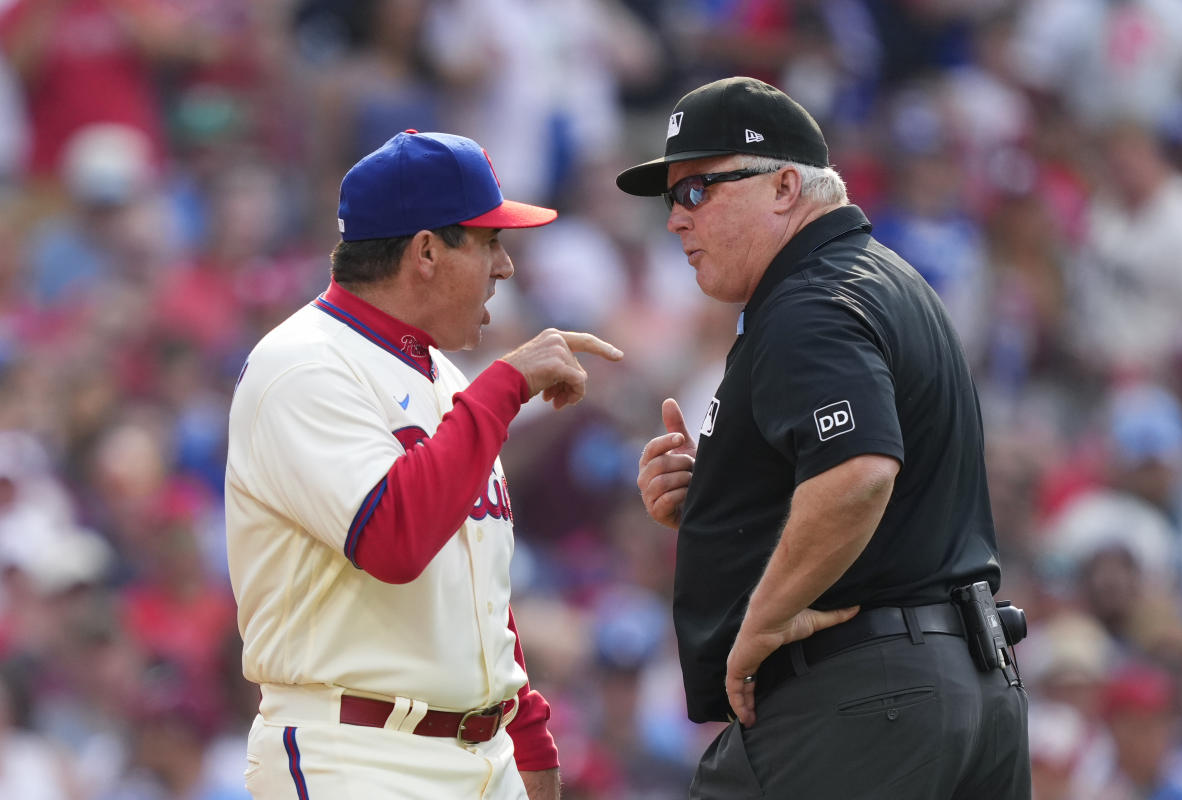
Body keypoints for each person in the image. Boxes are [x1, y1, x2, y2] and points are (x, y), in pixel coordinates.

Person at [621, 76, 1030, 798]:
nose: (675, 221)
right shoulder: (884, 281)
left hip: (867, 700)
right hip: (962, 690)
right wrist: (722, 502)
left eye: (696, 192)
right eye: (670, 200)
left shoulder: (807, 300)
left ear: (784, 187)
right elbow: (873, 487)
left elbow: (859, 473)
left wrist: (763, 619)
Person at [225, 129, 623, 800]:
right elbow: (393, 539)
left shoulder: (445, 377)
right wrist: (505, 387)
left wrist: (529, 740)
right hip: (355, 753)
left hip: (482, 757)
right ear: (428, 251)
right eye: (490, 241)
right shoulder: (301, 364)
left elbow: (479, 593)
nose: (506, 266)